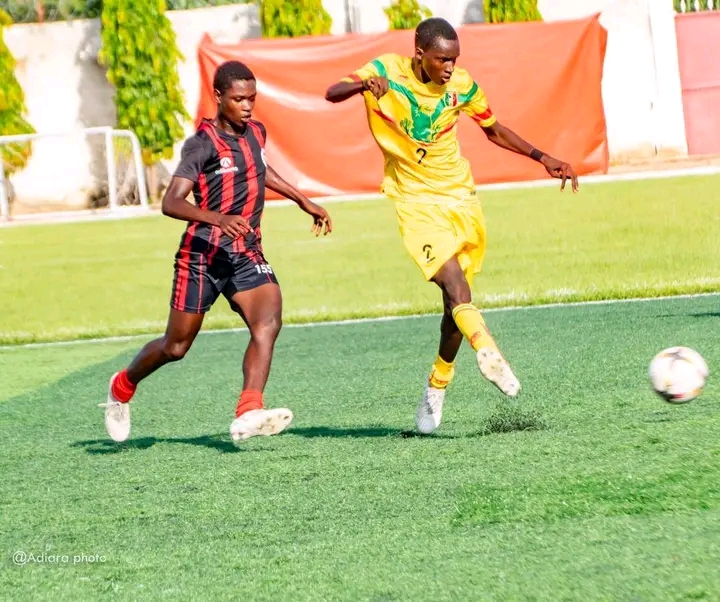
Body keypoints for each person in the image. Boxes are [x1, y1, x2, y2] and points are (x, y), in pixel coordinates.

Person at [325, 18, 578, 435]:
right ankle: (489, 352)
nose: (448, 67)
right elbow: (331, 92)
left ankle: (437, 385)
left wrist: (542, 156)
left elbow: (493, 128)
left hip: (460, 198)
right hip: (415, 201)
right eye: (442, 59)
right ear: (419, 52)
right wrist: (364, 87)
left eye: (454, 59)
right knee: (456, 288)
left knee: (455, 308)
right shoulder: (386, 70)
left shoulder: (461, 84)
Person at [102, 60, 332, 443]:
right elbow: (171, 202)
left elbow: (258, 169)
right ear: (219, 96)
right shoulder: (202, 144)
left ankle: (248, 411)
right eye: (239, 99)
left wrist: (302, 200)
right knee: (175, 347)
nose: (247, 106)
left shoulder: (256, 131)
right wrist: (217, 219)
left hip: (245, 252)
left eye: (252, 98)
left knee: (268, 321)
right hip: (201, 257)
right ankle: (122, 386)